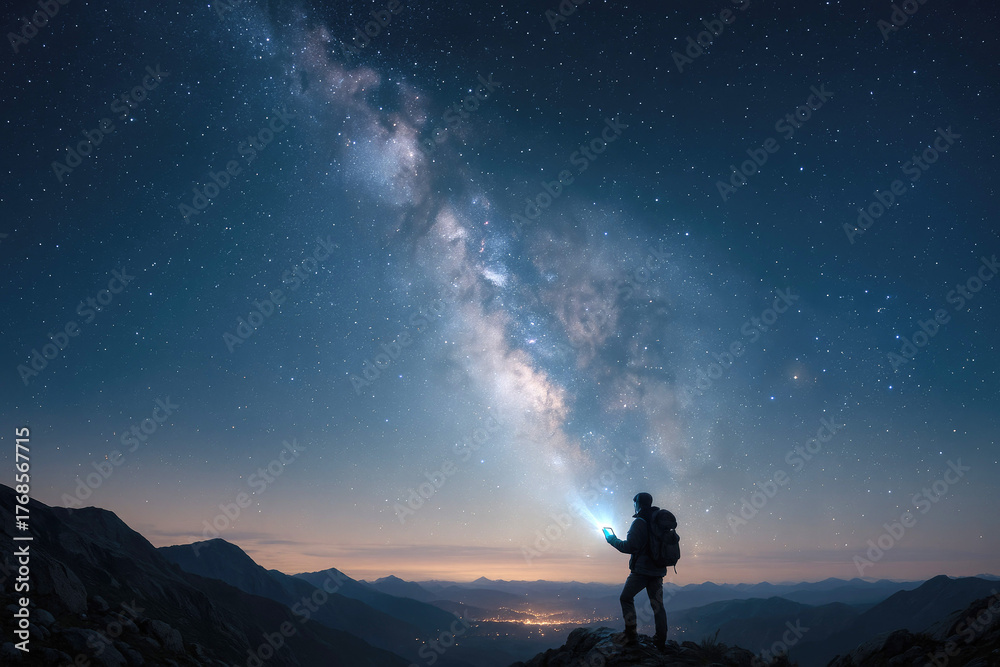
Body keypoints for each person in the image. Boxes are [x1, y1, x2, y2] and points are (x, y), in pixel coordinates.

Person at [605, 492, 668, 650]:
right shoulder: (660, 522)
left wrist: (611, 539)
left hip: (641, 571)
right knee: (658, 606)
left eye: (634, 503)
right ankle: (661, 641)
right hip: (658, 570)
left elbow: (629, 547)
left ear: (638, 504)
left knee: (626, 598)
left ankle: (631, 635)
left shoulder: (640, 522)